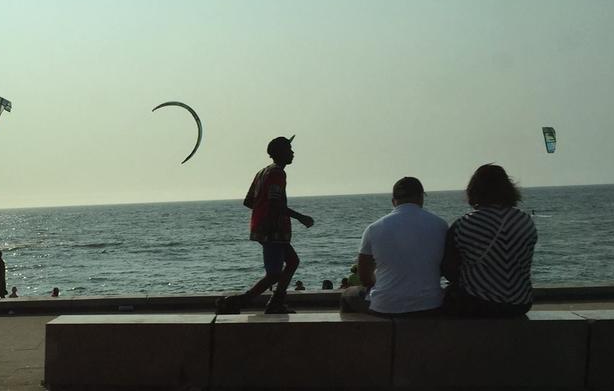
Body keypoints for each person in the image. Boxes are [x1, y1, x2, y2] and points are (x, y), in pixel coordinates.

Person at [218, 135, 314, 314]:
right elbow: (276, 203)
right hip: (273, 230)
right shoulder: (278, 173)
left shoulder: (262, 172)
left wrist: (261, 212)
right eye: (289, 149)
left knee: (292, 262)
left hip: (264, 228)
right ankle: (239, 301)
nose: (293, 153)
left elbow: (248, 201)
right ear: (281, 153)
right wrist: (301, 217)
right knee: (274, 273)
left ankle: (276, 301)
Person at [340, 177, 448, 317]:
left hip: (386, 307)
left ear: (393, 201)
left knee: (348, 294)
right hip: (430, 305)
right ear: (421, 198)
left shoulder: (374, 228)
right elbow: (446, 267)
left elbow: (364, 275)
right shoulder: (440, 225)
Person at [442, 164, 537, 317]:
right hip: (521, 303)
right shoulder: (525, 220)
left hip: (479, 303)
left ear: (474, 190)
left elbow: (448, 268)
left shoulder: (465, 224)